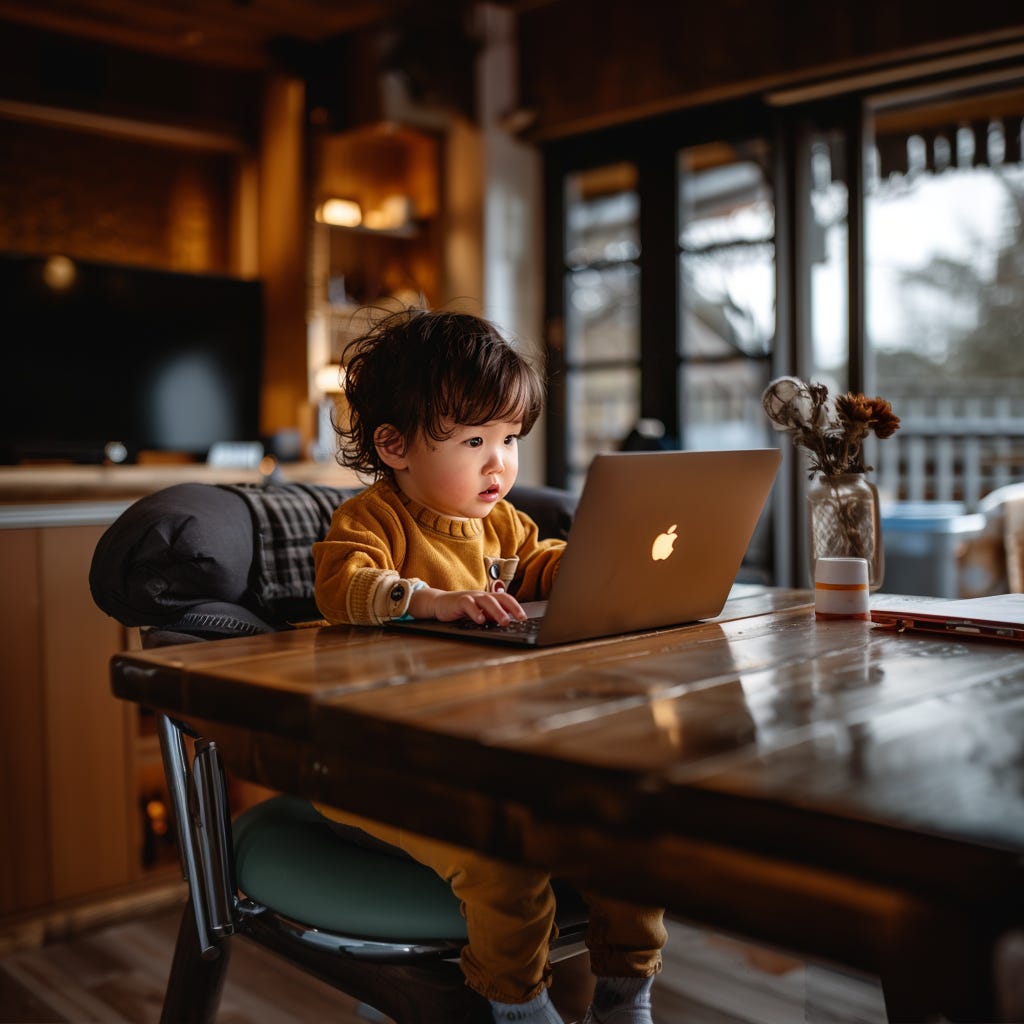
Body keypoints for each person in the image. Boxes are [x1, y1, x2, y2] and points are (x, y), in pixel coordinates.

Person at [313, 308, 666, 1024]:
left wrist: (592, 559)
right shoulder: (371, 521)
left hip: (486, 760)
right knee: (503, 862)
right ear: (395, 446)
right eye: (474, 439)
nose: (498, 461)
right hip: (376, 766)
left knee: (629, 843)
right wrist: (431, 601)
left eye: (508, 439)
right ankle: (519, 1007)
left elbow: (536, 565)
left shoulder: (502, 521)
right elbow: (343, 586)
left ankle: (626, 996)